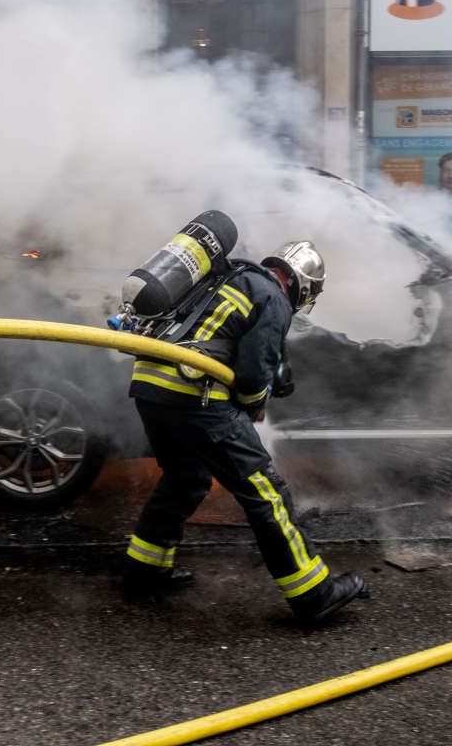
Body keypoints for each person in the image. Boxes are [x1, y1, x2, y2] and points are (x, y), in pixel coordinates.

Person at [119, 241, 367, 625]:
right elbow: (252, 377)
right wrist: (255, 403)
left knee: (185, 479)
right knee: (266, 494)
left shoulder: (231, 277)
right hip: (194, 395)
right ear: (301, 285)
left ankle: (143, 569)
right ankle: (312, 593)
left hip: (150, 387)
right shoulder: (274, 297)